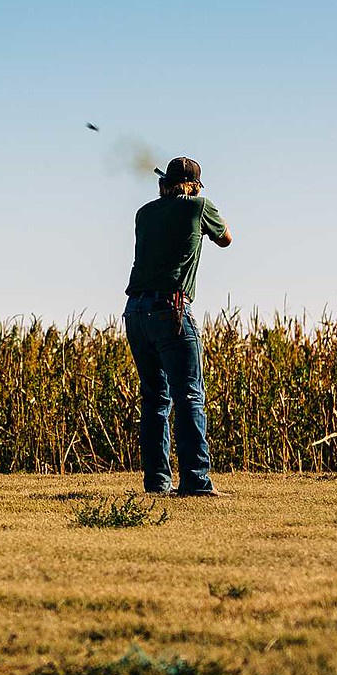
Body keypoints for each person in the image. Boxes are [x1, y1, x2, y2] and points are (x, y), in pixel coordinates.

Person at [124, 157, 232, 496]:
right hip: (171, 309)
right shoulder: (199, 206)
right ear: (195, 186)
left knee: (155, 399)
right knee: (189, 396)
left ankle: (158, 482)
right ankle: (196, 481)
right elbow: (226, 238)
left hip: (135, 311)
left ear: (165, 183)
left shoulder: (144, 213)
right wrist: (198, 202)